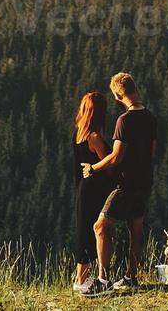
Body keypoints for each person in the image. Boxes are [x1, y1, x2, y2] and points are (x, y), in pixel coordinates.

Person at [78, 71, 158, 296]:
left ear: (117, 95)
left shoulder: (124, 121)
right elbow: (152, 152)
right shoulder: (150, 117)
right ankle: (131, 277)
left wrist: (93, 168)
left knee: (100, 226)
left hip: (126, 184)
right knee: (136, 227)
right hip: (145, 181)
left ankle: (103, 280)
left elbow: (115, 157)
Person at [70, 91, 113, 293]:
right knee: (91, 232)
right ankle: (81, 280)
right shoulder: (94, 137)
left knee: (84, 231)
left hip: (82, 188)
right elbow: (107, 163)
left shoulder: (78, 132)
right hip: (95, 189)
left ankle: (80, 279)